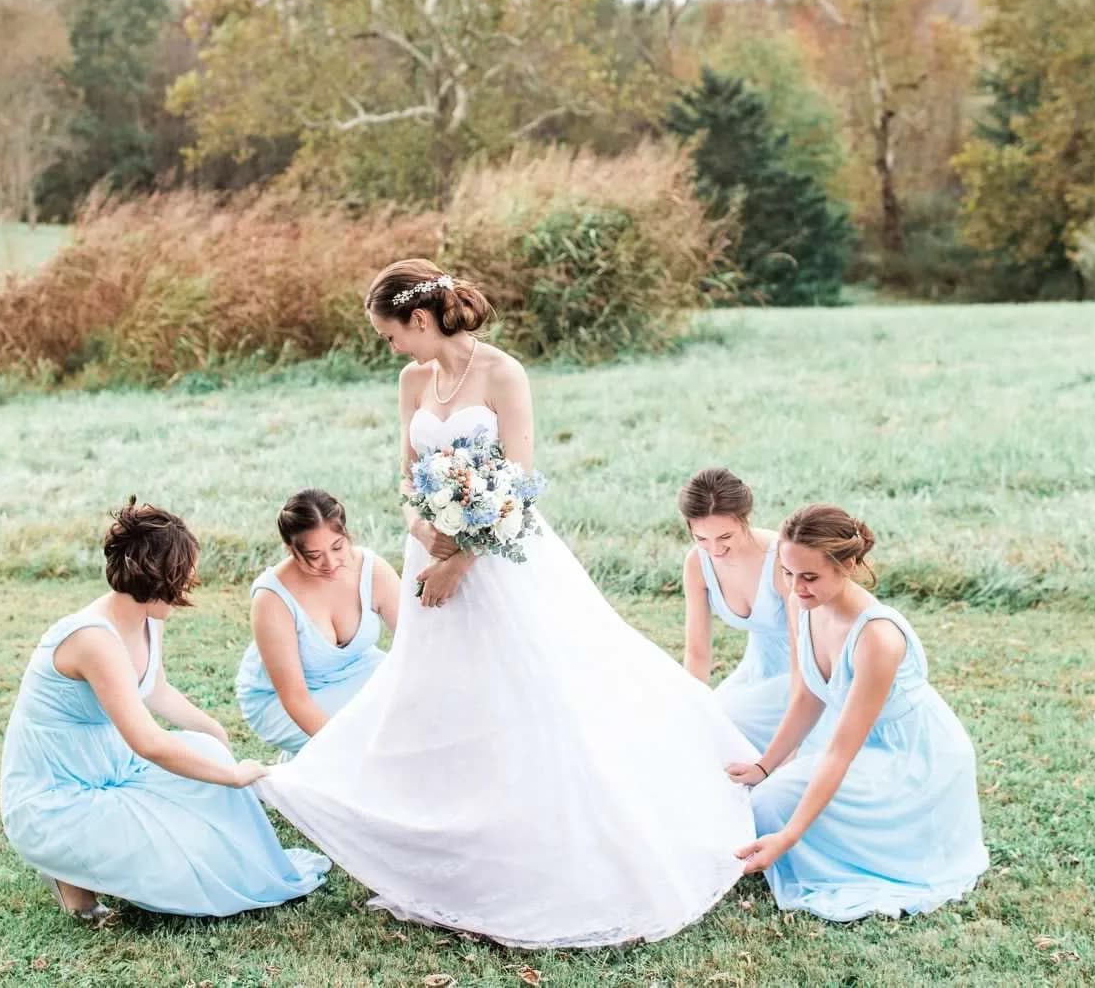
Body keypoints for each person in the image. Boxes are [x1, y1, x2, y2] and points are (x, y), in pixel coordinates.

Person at [258, 260, 755, 947]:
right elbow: (405, 481)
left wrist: (464, 558)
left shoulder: (502, 374)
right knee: (440, 700)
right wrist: (424, 532)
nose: (391, 348)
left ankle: (550, 856)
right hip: (429, 558)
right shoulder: (411, 381)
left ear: (421, 320)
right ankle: (446, 862)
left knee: (534, 698)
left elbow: (519, 486)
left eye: (391, 334)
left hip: (503, 561)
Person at [0, 498, 328, 923]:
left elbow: (156, 688)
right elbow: (148, 742)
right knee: (183, 868)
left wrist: (215, 736)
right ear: (154, 576)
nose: (190, 586)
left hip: (113, 768)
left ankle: (96, 857)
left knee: (206, 755)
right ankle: (69, 874)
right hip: (58, 797)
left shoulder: (147, 617)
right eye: (182, 580)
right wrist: (230, 775)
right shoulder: (93, 639)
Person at [727, 504, 987, 922]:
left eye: (810, 577)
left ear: (848, 564)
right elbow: (809, 697)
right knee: (758, 795)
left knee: (774, 804)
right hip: (859, 744)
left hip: (912, 759)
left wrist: (790, 837)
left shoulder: (877, 637)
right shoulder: (805, 604)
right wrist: (764, 764)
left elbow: (839, 754)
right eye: (788, 574)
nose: (796, 588)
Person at [236, 489, 399, 757]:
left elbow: (414, 646)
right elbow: (294, 698)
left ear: (347, 535)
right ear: (291, 551)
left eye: (338, 547)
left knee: (408, 705)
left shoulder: (373, 570)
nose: (331, 563)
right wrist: (344, 750)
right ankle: (309, 771)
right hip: (281, 699)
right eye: (314, 555)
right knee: (364, 731)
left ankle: (306, 768)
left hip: (358, 671)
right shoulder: (271, 598)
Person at [679, 467, 792, 751]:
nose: (715, 550)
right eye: (701, 539)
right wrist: (694, 710)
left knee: (732, 721)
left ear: (745, 519)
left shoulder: (782, 558)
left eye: (725, 537)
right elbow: (697, 654)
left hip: (811, 668)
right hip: (759, 669)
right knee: (707, 725)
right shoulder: (697, 564)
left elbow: (812, 649)